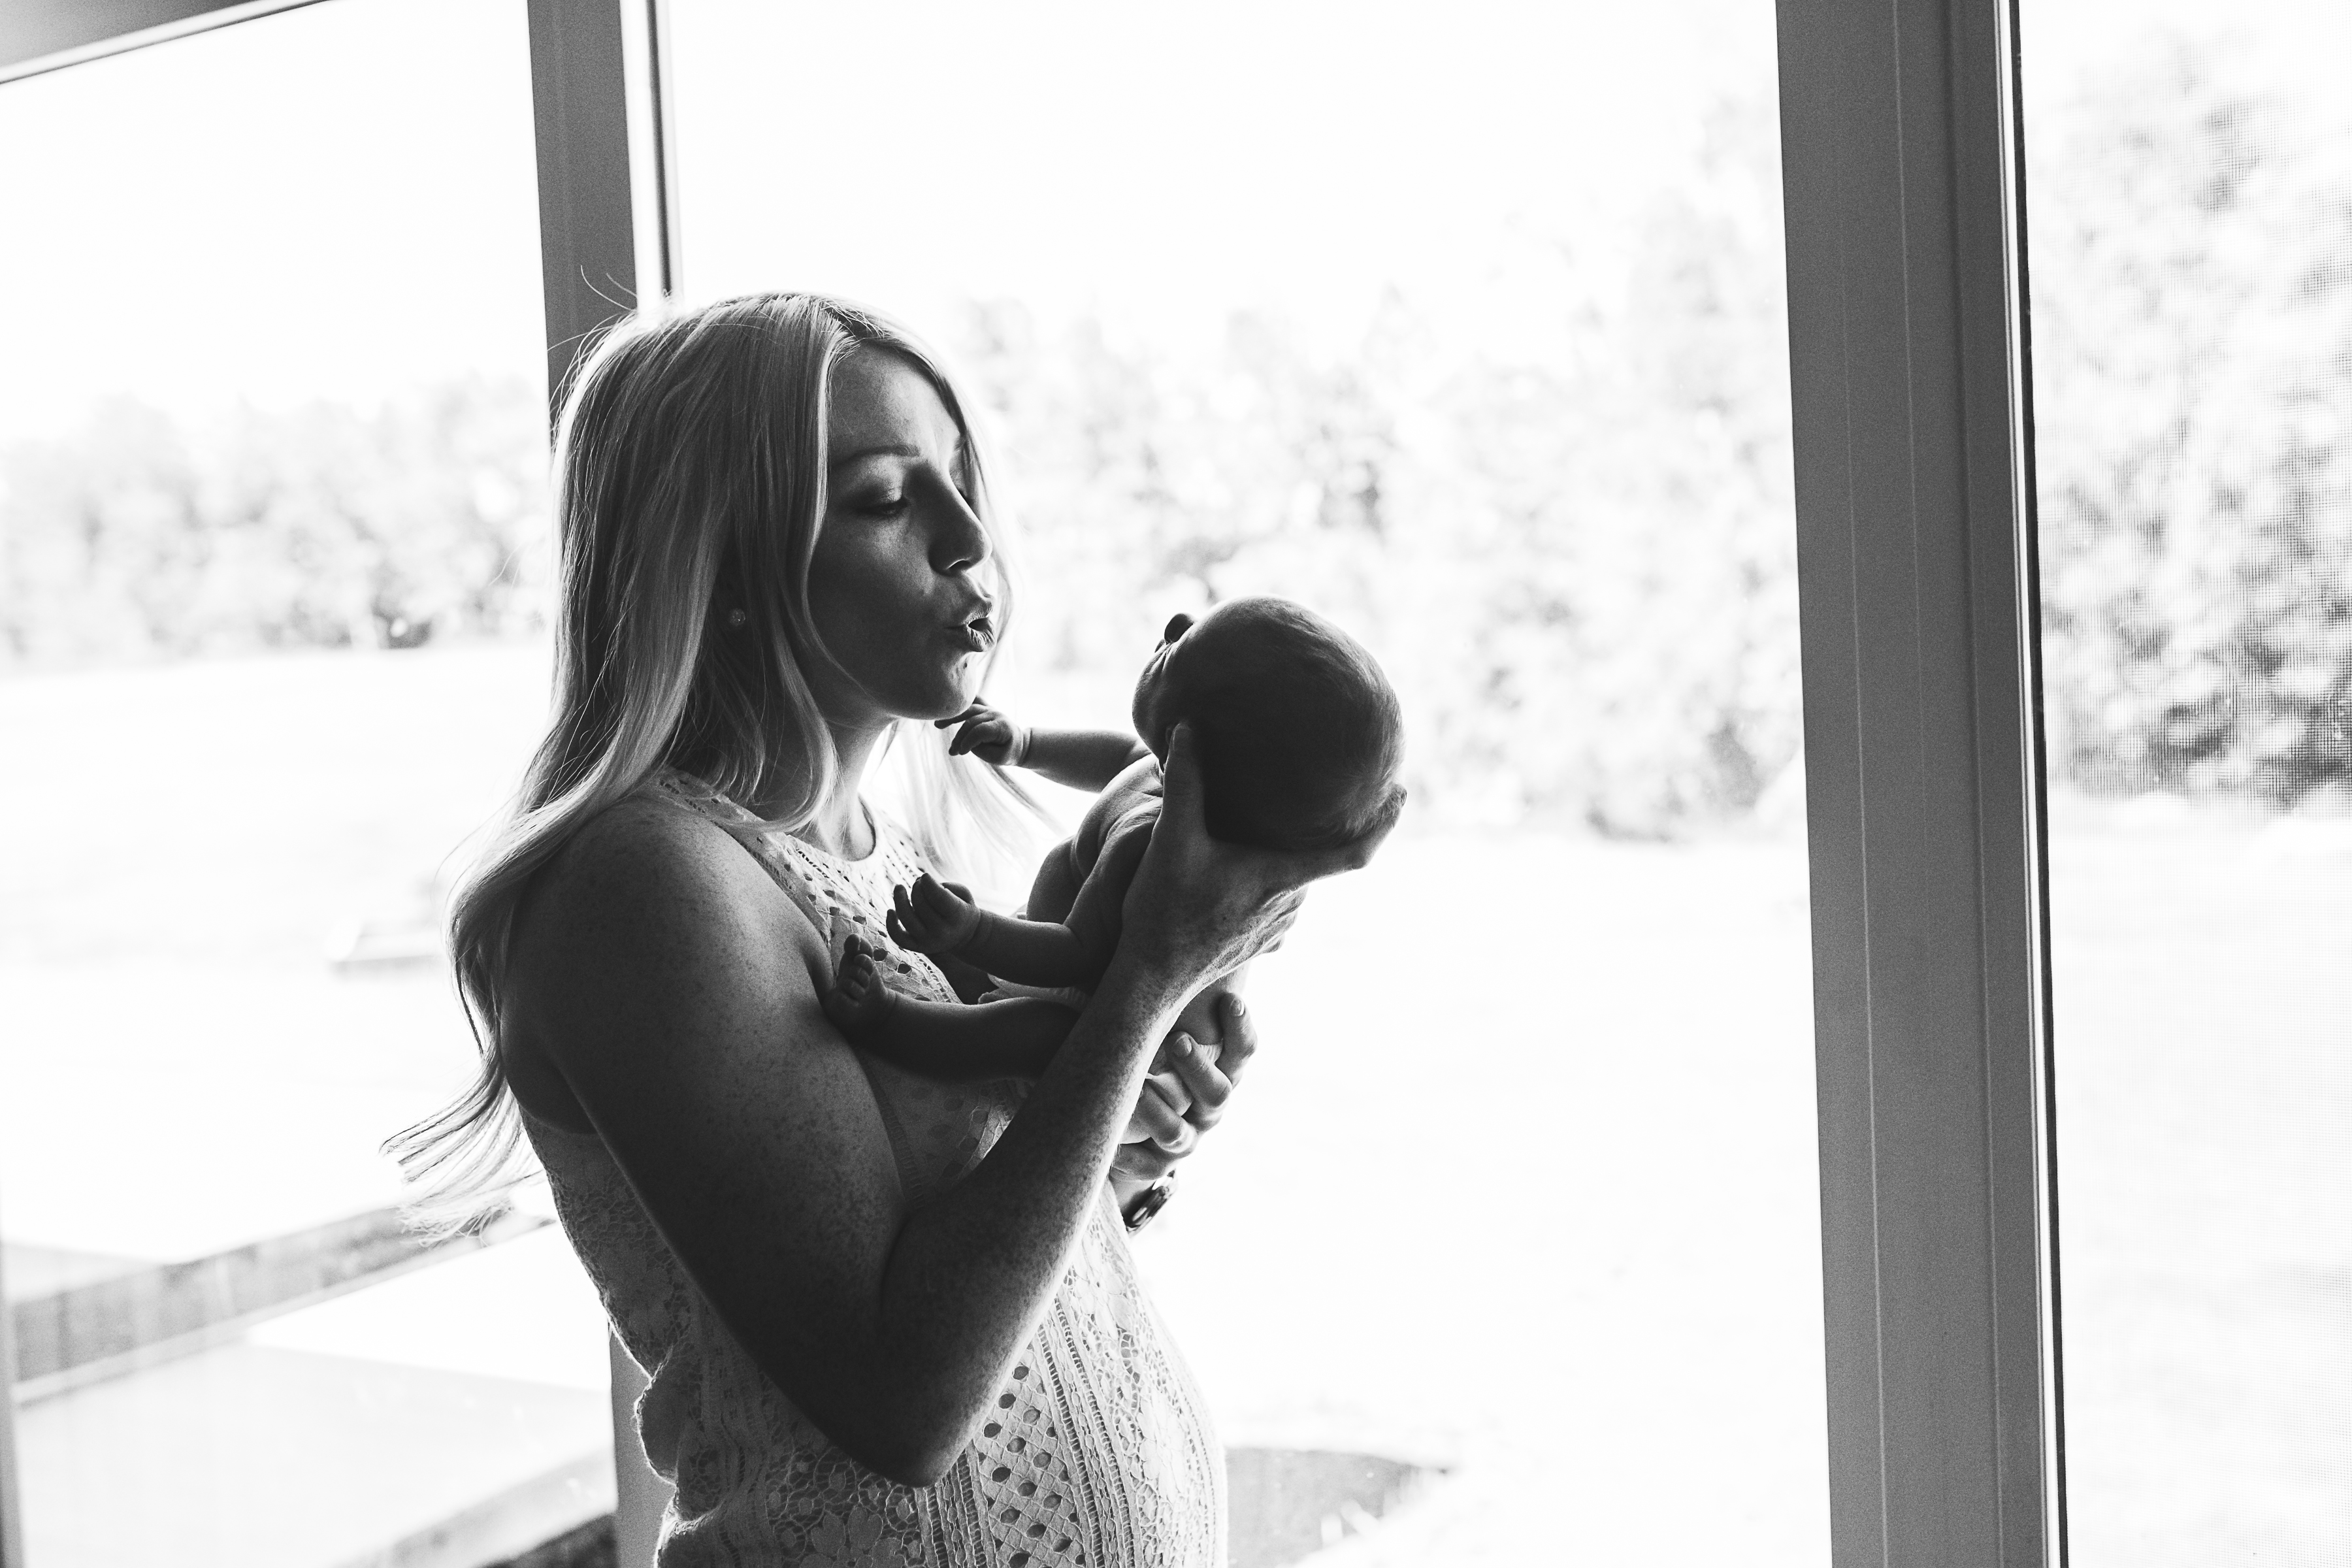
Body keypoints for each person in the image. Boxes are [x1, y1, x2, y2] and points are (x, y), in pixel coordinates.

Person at [387, 292, 1400, 1567]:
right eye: (883, 498)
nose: (970, 536)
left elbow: (988, 1263)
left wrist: (1129, 1143)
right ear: (721, 565)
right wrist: (1146, 982)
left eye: (960, 479)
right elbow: (901, 1397)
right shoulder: (649, 886)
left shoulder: (889, 862)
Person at [823, 597, 1404, 1085]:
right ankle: (961, 972)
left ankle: (889, 1023)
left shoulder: (1151, 851)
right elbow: (1117, 756)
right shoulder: (1161, 775)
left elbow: (1071, 953)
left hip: (1124, 1045)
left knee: (1035, 1035)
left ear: (1185, 740)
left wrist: (974, 932)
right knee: (973, 962)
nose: (1175, 623)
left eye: (1179, 648)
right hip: (1079, 975)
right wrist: (1026, 744)